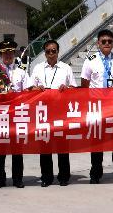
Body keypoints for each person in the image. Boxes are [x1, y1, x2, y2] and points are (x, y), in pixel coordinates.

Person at [80, 28, 113, 184]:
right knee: (97, 142)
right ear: (98, 43)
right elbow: (84, 85)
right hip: (97, 106)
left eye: (110, 41)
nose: (107, 44)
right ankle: (96, 173)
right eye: (104, 41)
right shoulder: (90, 61)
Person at [29, 39, 76, 187]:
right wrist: (38, 89)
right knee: (45, 145)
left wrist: (67, 88)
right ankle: (46, 177)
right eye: (48, 51)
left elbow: (74, 88)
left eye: (53, 51)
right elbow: (30, 88)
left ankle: (64, 177)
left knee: (62, 145)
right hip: (43, 111)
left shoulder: (65, 68)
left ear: (58, 52)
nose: (51, 54)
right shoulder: (37, 68)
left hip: (60, 111)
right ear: (44, 53)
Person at [0, 39, 32, 189]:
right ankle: (0, 179)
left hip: (16, 114)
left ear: (14, 53)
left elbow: (28, 90)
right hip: (0, 114)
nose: (7, 55)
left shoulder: (21, 72)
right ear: (1, 54)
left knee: (17, 149)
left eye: (10, 52)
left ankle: (17, 179)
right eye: (4, 53)